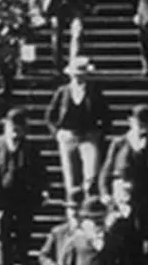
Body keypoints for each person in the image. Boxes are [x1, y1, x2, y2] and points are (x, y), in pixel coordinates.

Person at [0, 107, 48, 265]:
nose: (15, 133)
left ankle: (21, 263)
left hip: (24, 199)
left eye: (18, 129)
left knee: (23, 231)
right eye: (11, 128)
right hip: (1, 198)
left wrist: (43, 191)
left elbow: (41, 173)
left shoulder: (31, 149)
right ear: (5, 128)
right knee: (3, 232)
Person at [99, 104, 148, 256]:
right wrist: (104, 192)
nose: (143, 129)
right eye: (140, 124)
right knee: (120, 231)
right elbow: (106, 170)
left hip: (144, 197)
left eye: (147, 125)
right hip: (122, 195)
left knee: (143, 234)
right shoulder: (119, 143)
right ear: (131, 121)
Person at [45, 57, 111, 205]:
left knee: (91, 176)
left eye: (82, 75)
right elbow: (50, 116)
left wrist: (100, 133)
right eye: (76, 75)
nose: (79, 78)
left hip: (89, 136)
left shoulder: (94, 91)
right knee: (71, 178)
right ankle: (73, 213)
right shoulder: (62, 92)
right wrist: (56, 133)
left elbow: (106, 115)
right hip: (68, 136)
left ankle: (90, 208)